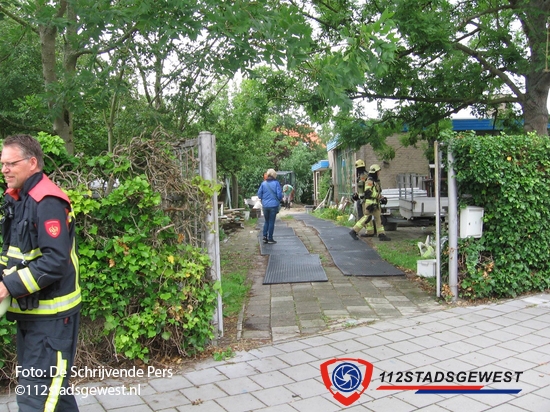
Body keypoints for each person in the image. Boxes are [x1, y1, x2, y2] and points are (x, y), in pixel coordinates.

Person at [0, 134, 81, 411]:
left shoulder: (47, 201)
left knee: (35, 399)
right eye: (2, 164)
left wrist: (8, 286)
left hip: (51, 320)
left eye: (11, 164)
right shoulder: (19, 199)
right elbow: (16, 255)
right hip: (33, 317)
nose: (4, 170)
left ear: (32, 162)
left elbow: (55, 261)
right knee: (55, 396)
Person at [350, 163, 390, 241]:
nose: (379, 173)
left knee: (378, 219)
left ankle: (381, 235)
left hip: (375, 203)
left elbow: (376, 191)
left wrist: (382, 198)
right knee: (367, 218)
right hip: (370, 203)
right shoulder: (369, 181)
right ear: (375, 172)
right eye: (378, 171)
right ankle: (354, 231)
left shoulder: (375, 181)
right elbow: (368, 192)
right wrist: (379, 197)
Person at [257, 168, 283, 244]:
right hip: (273, 205)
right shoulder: (276, 183)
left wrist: (264, 199)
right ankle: (270, 238)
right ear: (274, 175)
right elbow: (279, 195)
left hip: (265, 205)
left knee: (266, 221)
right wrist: (278, 199)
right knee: (271, 221)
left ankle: (264, 237)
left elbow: (259, 195)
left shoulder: (263, 183)